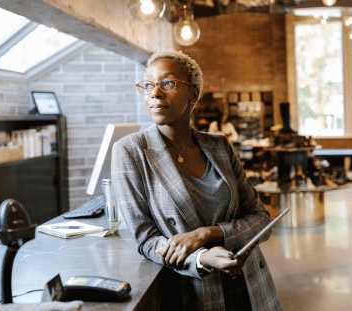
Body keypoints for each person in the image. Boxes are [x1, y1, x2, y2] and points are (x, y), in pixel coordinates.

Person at [111, 50, 282, 311]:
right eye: (148, 84)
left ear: (194, 94)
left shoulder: (219, 146)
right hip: (194, 293)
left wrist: (208, 234)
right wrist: (202, 257)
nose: (155, 93)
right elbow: (145, 239)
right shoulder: (130, 151)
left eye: (167, 83)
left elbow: (260, 219)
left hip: (250, 285)